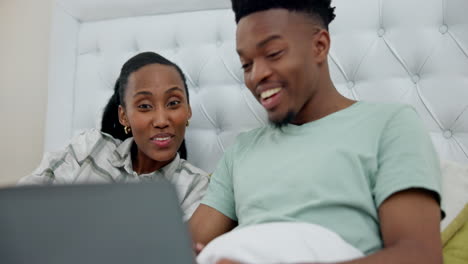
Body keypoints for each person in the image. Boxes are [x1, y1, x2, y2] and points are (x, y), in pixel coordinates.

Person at [190, 1, 443, 263]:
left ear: (319, 46)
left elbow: (419, 255)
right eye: (246, 65)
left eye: (274, 53)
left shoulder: (390, 124)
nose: (257, 75)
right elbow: (179, 248)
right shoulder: (241, 150)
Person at [19, 52, 209, 220]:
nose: (161, 120)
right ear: (124, 116)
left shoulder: (197, 187)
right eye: (144, 106)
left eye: (174, 103)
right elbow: (23, 206)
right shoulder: (88, 149)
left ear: (188, 111)